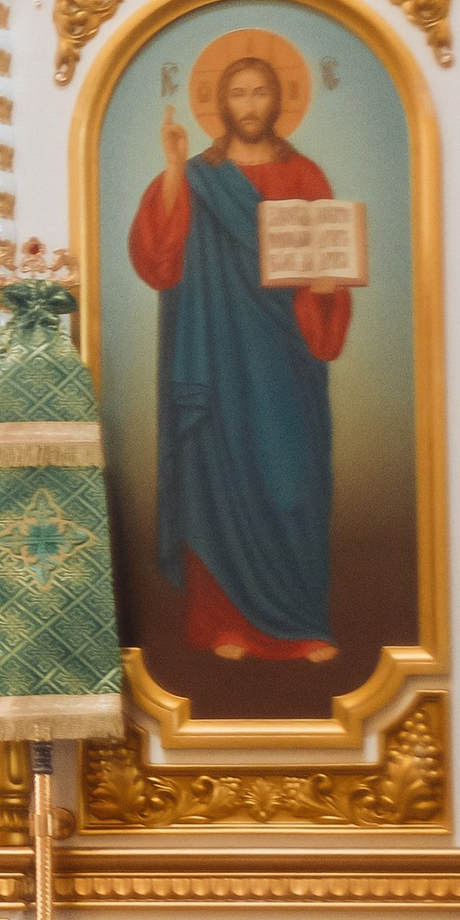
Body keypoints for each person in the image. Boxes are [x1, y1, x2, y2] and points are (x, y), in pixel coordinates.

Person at [127, 38, 347, 661]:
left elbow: (327, 257)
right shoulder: (197, 176)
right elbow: (158, 259)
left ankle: (302, 623)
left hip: (285, 360)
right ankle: (222, 624)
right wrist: (173, 165)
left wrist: (327, 289)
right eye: (238, 93)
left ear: (279, 100)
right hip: (216, 357)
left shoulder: (305, 177)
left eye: (260, 91)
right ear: (220, 104)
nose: (250, 104)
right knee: (217, 479)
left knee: (291, 480)